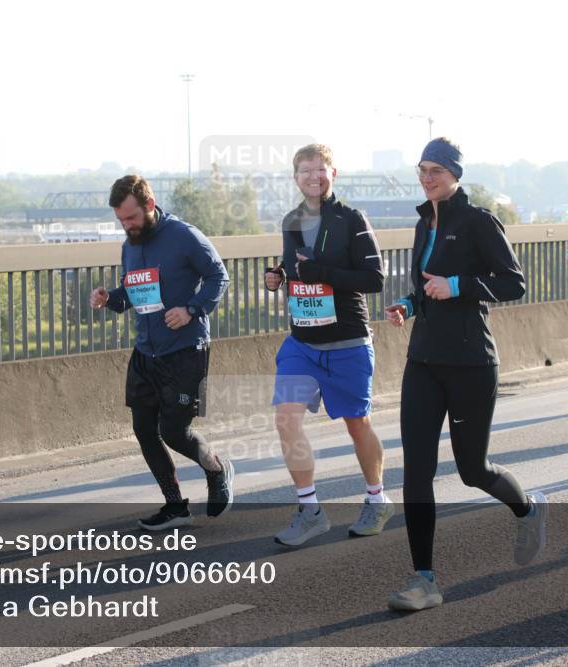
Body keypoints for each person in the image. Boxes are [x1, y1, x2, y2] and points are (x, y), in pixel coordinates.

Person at [385, 138, 546, 611]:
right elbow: (423, 284)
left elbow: (513, 283)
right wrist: (410, 303)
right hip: (424, 361)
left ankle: (528, 510)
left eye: (436, 169)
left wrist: (455, 286)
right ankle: (424, 580)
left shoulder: (478, 222)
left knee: (472, 470)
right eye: (422, 169)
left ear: (455, 173)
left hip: (472, 363)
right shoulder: (423, 222)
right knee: (416, 472)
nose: (427, 177)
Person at [90, 175, 234, 530]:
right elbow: (133, 294)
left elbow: (219, 276)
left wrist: (192, 308)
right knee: (143, 428)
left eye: (131, 218)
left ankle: (216, 467)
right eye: (121, 220)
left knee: (173, 431)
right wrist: (110, 298)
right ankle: (175, 505)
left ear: (149, 206)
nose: (126, 226)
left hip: (184, 349)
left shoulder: (183, 235)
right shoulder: (130, 245)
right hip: (146, 352)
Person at [263, 143, 389, 546]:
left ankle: (377, 497)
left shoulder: (352, 219)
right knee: (286, 418)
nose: (313, 177)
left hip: (347, 340)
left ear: (334, 174)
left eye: (320, 170)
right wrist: (278, 277)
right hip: (302, 341)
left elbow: (374, 280)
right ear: (295, 177)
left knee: (357, 424)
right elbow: (295, 267)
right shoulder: (291, 220)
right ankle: (310, 509)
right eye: (305, 171)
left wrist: (323, 273)